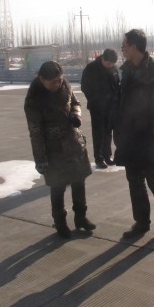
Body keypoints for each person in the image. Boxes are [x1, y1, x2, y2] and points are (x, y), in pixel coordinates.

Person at [114, 29, 154, 242]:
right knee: (135, 183)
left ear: (134, 47)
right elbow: (122, 103)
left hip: (146, 136)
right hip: (128, 137)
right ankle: (141, 223)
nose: (122, 49)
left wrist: (140, 122)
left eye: (124, 45)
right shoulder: (126, 71)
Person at [24, 61, 95, 238]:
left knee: (79, 182)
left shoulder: (65, 86)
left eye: (60, 79)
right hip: (53, 149)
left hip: (74, 144)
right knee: (58, 187)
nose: (57, 84)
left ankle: (81, 217)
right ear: (42, 79)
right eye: (53, 82)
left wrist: (75, 115)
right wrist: (40, 158)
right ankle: (60, 222)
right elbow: (35, 133)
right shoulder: (34, 101)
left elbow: (75, 102)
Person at [81, 49, 120, 169]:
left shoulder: (113, 68)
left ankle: (107, 155)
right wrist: (94, 99)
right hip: (97, 106)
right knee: (98, 132)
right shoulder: (91, 68)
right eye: (108, 63)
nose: (110, 65)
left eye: (112, 64)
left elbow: (117, 84)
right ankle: (99, 158)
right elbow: (84, 86)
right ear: (103, 58)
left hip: (111, 106)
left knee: (108, 131)